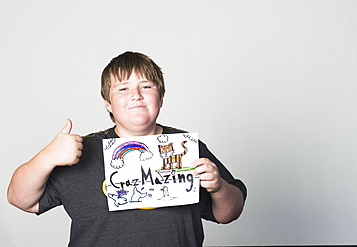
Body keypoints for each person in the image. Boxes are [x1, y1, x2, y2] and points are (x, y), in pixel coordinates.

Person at [7, 51, 247, 246]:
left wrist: (218, 187)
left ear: (161, 98)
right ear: (108, 103)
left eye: (146, 87)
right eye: (123, 89)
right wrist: (47, 157)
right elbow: (20, 199)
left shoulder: (187, 148)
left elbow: (229, 213)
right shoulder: (80, 152)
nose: (136, 96)